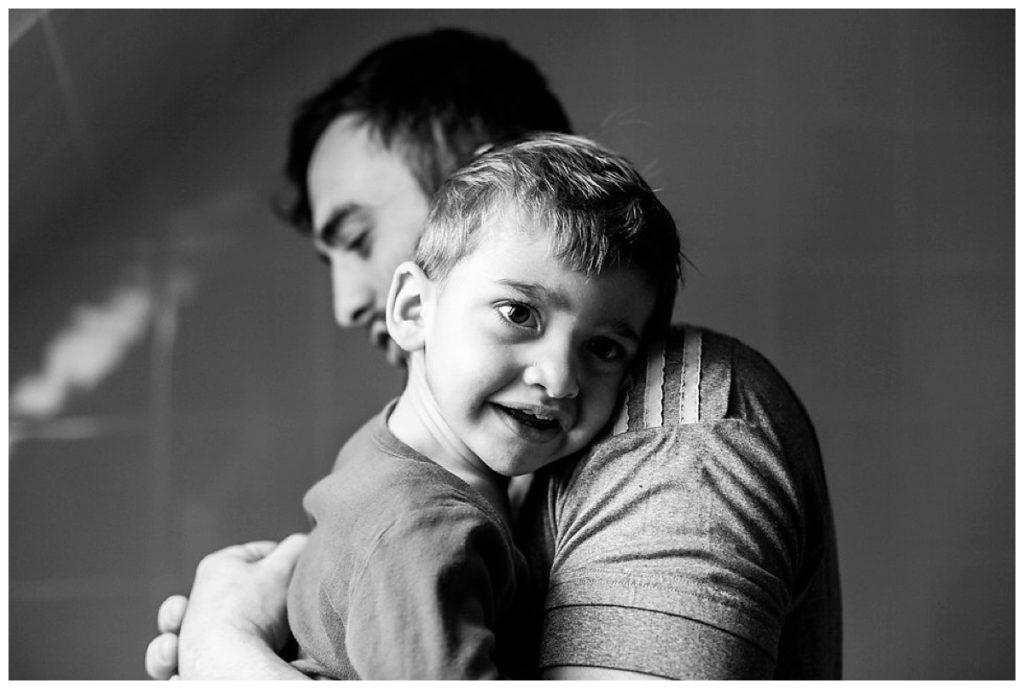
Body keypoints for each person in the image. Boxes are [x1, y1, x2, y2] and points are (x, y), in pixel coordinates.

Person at [145, 27, 841, 680]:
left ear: (494, 179)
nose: (345, 302)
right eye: (519, 315)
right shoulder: (440, 486)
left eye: (357, 237)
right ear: (414, 307)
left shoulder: (681, 430)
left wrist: (224, 650)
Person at [287, 133, 681, 679]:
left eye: (603, 349)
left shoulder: (383, 451)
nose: (561, 379)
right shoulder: (423, 532)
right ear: (411, 309)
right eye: (519, 314)